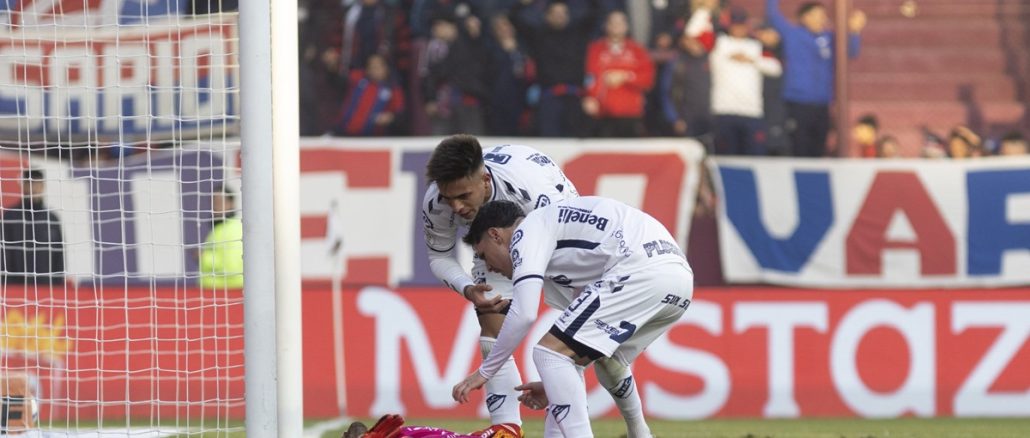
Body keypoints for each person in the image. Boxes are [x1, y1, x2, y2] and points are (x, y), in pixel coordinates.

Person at [422, 135, 654, 438]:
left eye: (464, 195)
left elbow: (566, 241)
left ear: (485, 179)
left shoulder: (533, 189)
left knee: (578, 345)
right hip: (492, 243)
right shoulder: (436, 202)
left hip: (561, 240)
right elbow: (438, 256)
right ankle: (506, 429)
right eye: (448, 197)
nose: (456, 206)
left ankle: (638, 430)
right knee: (491, 321)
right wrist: (467, 287)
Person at [452, 197, 694, 438]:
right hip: (678, 280)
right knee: (607, 361)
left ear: (495, 235)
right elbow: (575, 349)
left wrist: (485, 372)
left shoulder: (525, 233)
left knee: (548, 353)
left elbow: (524, 314)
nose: (489, 268)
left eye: (483, 255)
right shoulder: (564, 246)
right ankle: (639, 433)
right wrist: (553, 385)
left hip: (641, 269)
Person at [766, 0, 866, 157]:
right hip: (798, 102)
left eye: (822, 15)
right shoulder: (793, 34)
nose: (820, 19)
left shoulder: (831, 38)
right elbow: (773, 16)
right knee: (799, 146)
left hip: (822, 103)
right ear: (804, 17)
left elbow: (850, 52)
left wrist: (854, 32)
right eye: (815, 15)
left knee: (818, 147)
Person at [709, 8, 782, 155]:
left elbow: (776, 68)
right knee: (727, 156)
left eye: (741, 25)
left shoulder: (755, 46)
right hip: (724, 110)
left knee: (753, 156)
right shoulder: (719, 44)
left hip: (751, 111)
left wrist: (752, 61)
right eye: (735, 25)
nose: (738, 29)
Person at [582, 10, 656, 137]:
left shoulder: (638, 51)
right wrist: (589, 97)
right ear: (606, 25)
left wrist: (626, 77)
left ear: (627, 26)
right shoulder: (595, 49)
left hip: (630, 114)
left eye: (620, 22)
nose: (616, 26)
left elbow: (648, 79)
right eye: (613, 22)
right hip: (601, 115)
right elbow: (588, 76)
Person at [1, 169, 64, 285]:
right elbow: (3, 252)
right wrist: (6, 282)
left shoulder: (52, 218)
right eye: (30, 183)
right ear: (23, 185)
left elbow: (59, 256)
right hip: (16, 287)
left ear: (43, 186)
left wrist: (58, 284)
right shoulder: (10, 216)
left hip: (47, 287)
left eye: (37, 183)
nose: (34, 188)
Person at [333, 54, 405, 136]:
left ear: (386, 68)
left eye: (377, 67)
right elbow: (338, 79)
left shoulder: (392, 89)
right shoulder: (358, 78)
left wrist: (390, 117)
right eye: (371, 66)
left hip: (371, 139)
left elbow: (399, 114)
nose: (374, 70)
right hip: (342, 133)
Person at [199, 185, 243, 289]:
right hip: (218, 293)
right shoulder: (220, 228)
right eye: (213, 201)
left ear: (231, 203)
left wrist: (203, 257)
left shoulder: (233, 229)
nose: (216, 205)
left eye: (220, 201)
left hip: (228, 292)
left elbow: (232, 267)